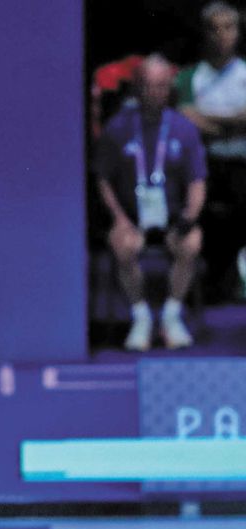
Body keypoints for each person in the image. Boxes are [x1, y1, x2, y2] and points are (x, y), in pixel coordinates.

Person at [95, 55, 208, 351]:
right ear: (137, 87)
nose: (154, 92)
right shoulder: (117, 128)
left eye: (161, 86)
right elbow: (103, 179)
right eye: (148, 85)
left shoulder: (184, 128)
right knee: (123, 244)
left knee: (191, 242)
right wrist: (119, 218)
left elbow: (197, 181)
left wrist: (189, 216)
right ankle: (141, 316)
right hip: (132, 216)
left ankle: (171, 315)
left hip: (172, 216)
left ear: (169, 88)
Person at [176, 1, 246, 302]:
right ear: (205, 33)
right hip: (205, 167)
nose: (222, 35)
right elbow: (187, 117)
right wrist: (233, 123)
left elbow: (203, 119)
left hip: (242, 164)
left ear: (238, 32)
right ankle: (213, 285)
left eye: (229, 28)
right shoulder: (190, 76)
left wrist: (209, 121)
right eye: (215, 29)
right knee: (208, 224)